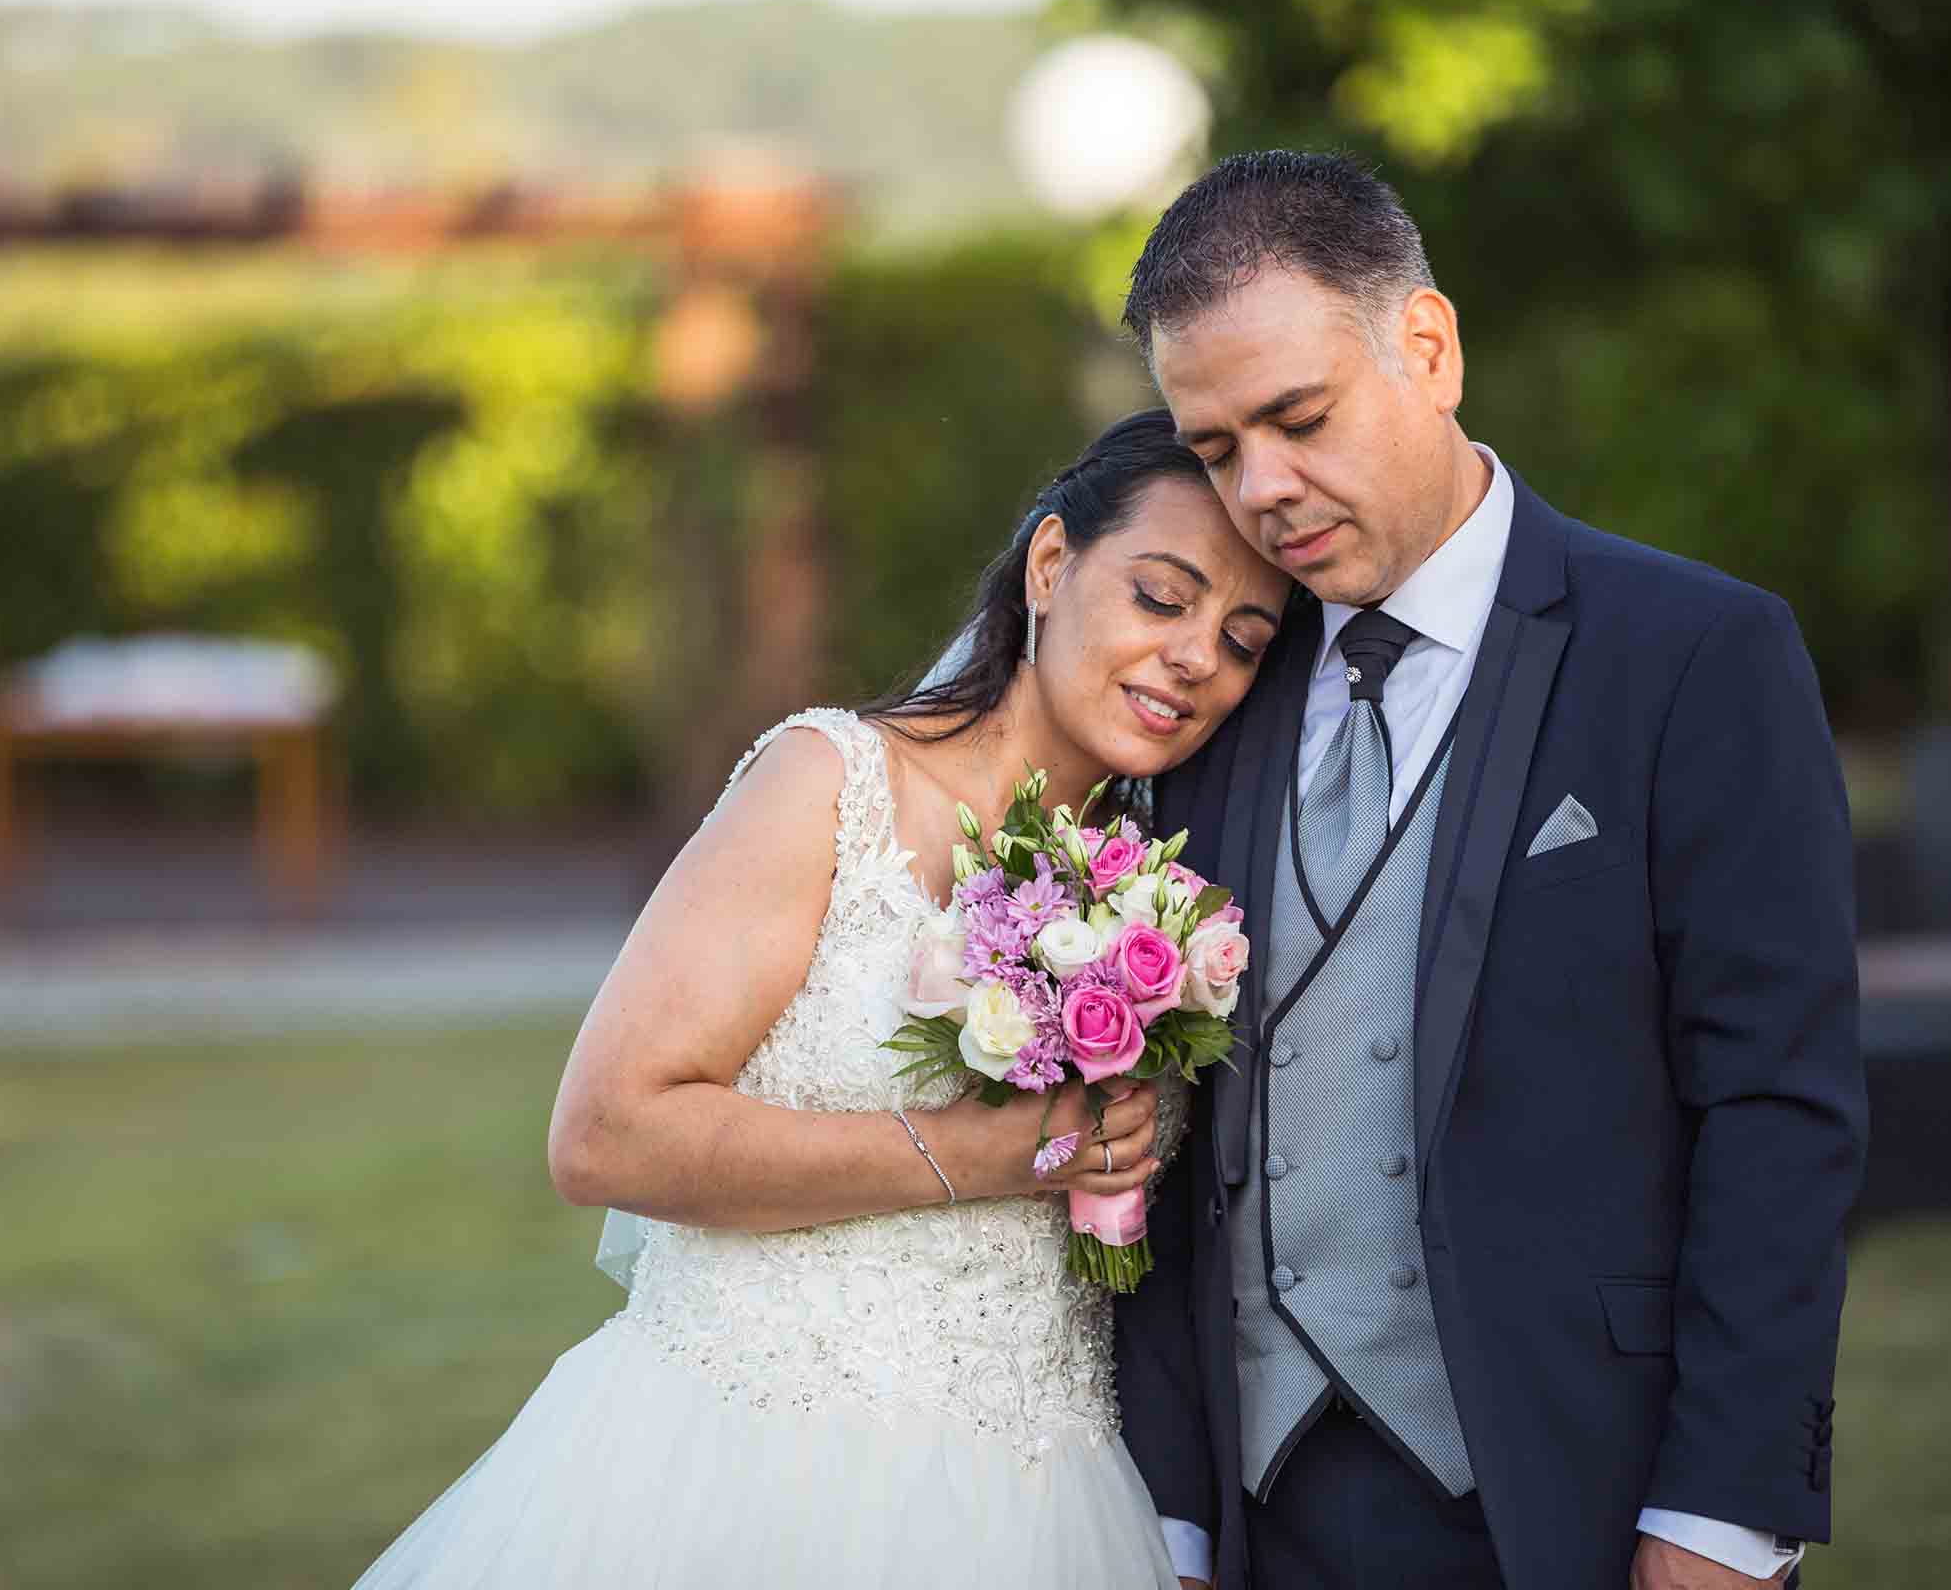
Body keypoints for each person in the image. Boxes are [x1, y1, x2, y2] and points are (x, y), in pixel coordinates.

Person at [349, 408, 1294, 1588]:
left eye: (1243, 640)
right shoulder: (830, 786)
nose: (1198, 655)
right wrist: (981, 1153)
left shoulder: (1173, 903)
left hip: (1045, 1509)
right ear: (1051, 564)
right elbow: (604, 1133)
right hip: (741, 1467)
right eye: (1162, 597)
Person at [1112, 151, 1866, 1590]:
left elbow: (1779, 1105)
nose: (1263, 490)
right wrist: (1170, 1519)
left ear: (1429, 347)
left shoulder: (1694, 655)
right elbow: (1160, 1145)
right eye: (1214, 450)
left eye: (1299, 419)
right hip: (1253, 1510)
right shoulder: (1201, 697)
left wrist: (1724, 1513)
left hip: (1573, 1491)